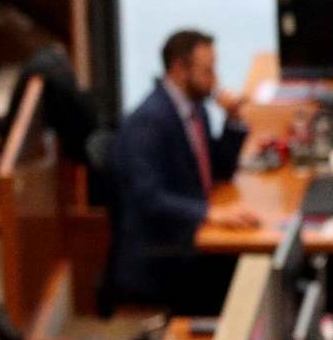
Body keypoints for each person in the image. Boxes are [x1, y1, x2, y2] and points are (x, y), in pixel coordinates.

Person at [107, 28, 256, 310]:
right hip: (162, 250)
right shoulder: (149, 122)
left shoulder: (191, 107)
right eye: (208, 70)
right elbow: (148, 198)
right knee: (249, 271)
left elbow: (218, 169)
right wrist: (209, 213)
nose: (215, 80)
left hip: (187, 228)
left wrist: (233, 119)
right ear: (179, 69)